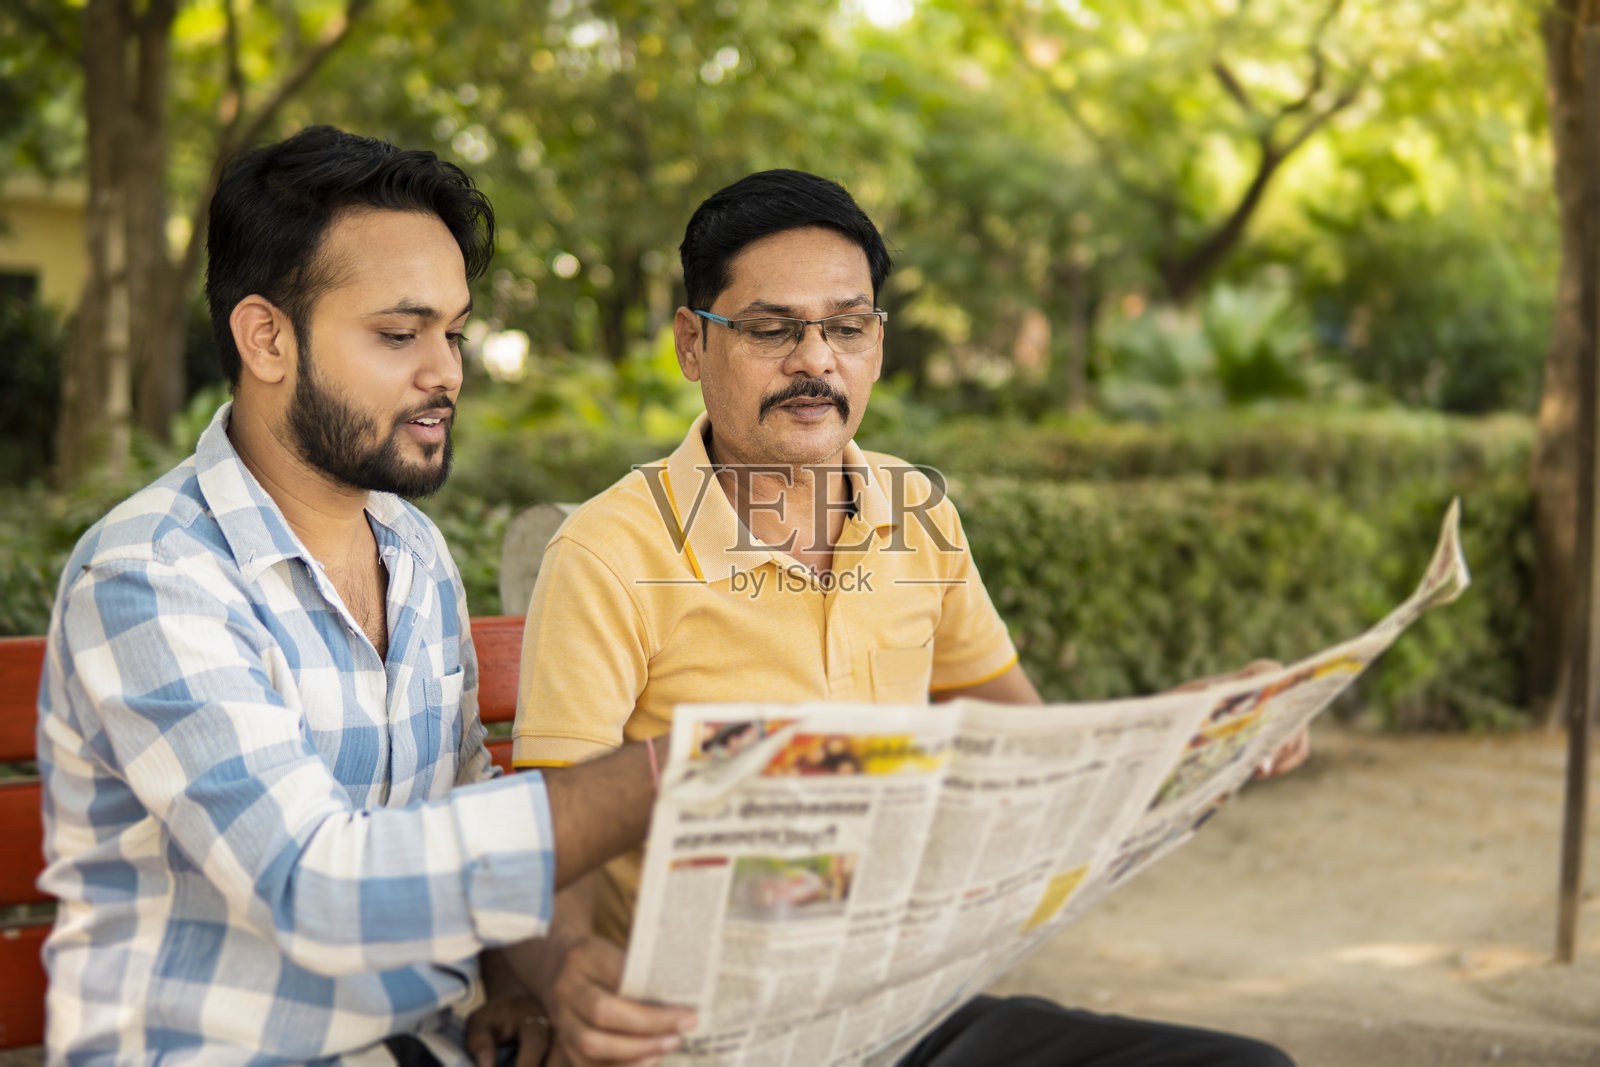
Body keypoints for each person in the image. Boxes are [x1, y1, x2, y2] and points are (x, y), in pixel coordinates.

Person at [506, 169, 1307, 1066]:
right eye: (772, 330)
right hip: (712, 1035)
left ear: (876, 344)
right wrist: (567, 970)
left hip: (904, 1009)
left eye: (847, 327)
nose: (816, 361)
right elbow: (550, 836)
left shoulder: (914, 509)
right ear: (694, 344)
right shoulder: (610, 551)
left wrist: (1193, 731)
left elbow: (1029, 746)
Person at [34, 125, 689, 1066]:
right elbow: (317, 884)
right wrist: (666, 773)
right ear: (266, 337)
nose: (447, 372)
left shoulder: (413, 551)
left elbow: (463, 796)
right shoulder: (149, 575)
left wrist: (537, 977)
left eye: (453, 333)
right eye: (399, 334)